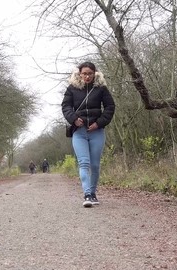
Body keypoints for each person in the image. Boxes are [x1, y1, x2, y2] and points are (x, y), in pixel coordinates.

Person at [61, 61, 115, 207]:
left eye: (90, 73)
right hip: (79, 132)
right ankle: (87, 194)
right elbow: (65, 106)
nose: (87, 76)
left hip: (96, 131)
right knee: (84, 163)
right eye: (84, 73)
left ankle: (93, 193)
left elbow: (110, 107)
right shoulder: (72, 88)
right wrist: (73, 119)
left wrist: (99, 123)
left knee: (95, 165)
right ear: (80, 74)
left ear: (94, 73)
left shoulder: (101, 88)